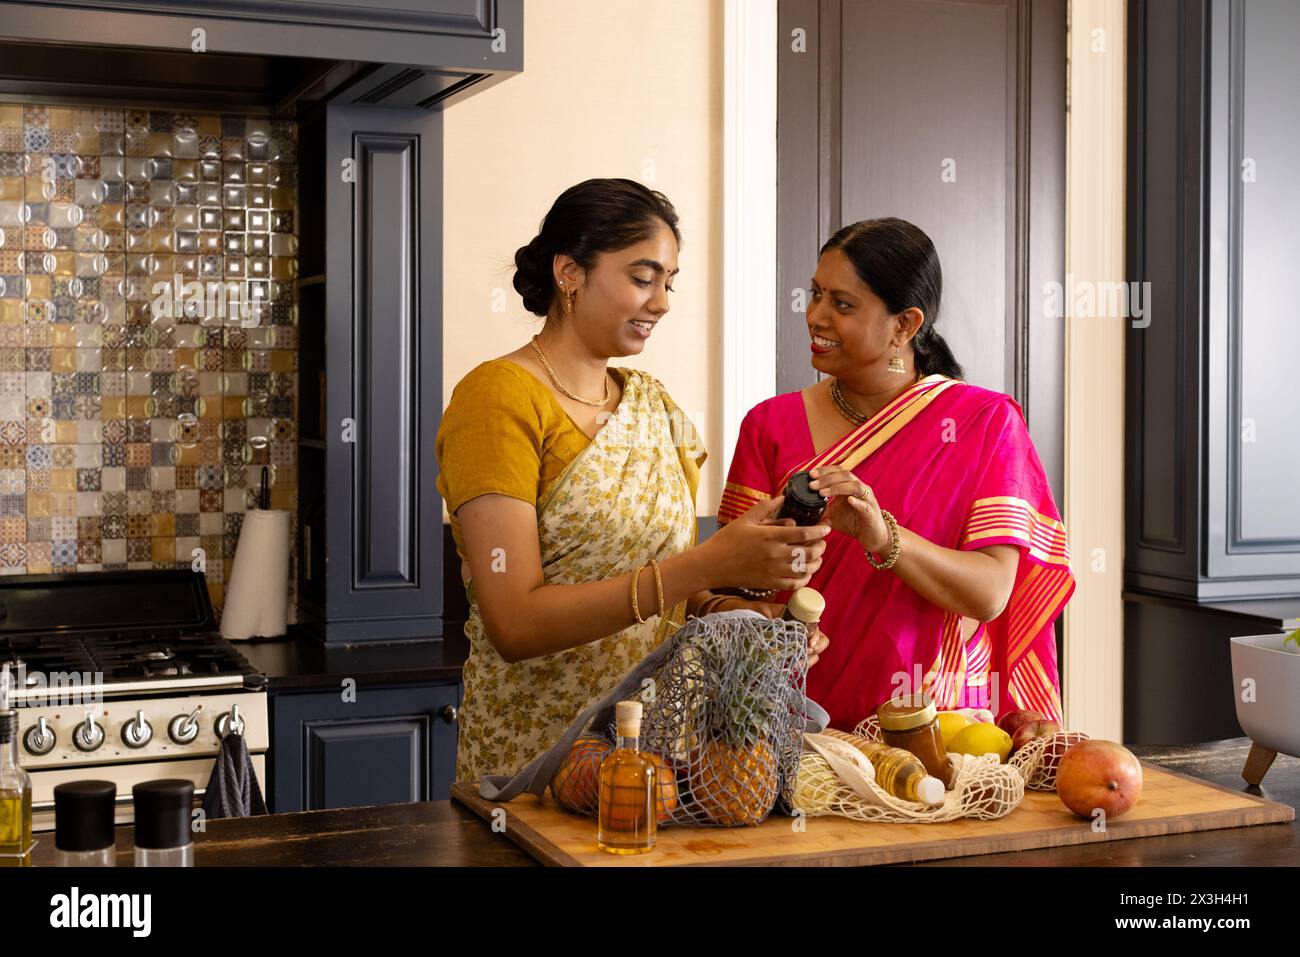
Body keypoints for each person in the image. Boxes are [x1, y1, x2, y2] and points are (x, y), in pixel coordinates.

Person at [437, 179, 831, 782]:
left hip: (654, 752)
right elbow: (514, 623)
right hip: (535, 757)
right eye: (643, 278)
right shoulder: (497, 399)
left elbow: (664, 597)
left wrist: (744, 616)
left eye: (669, 283)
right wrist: (708, 564)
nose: (663, 302)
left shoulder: (655, 408)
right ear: (569, 272)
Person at [719, 217, 1074, 731]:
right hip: (784, 727)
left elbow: (992, 593)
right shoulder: (769, 425)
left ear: (906, 325)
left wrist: (882, 536)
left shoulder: (983, 424)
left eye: (842, 304)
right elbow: (721, 594)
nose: (815, 316)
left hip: (936, 728)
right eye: (815, 294)